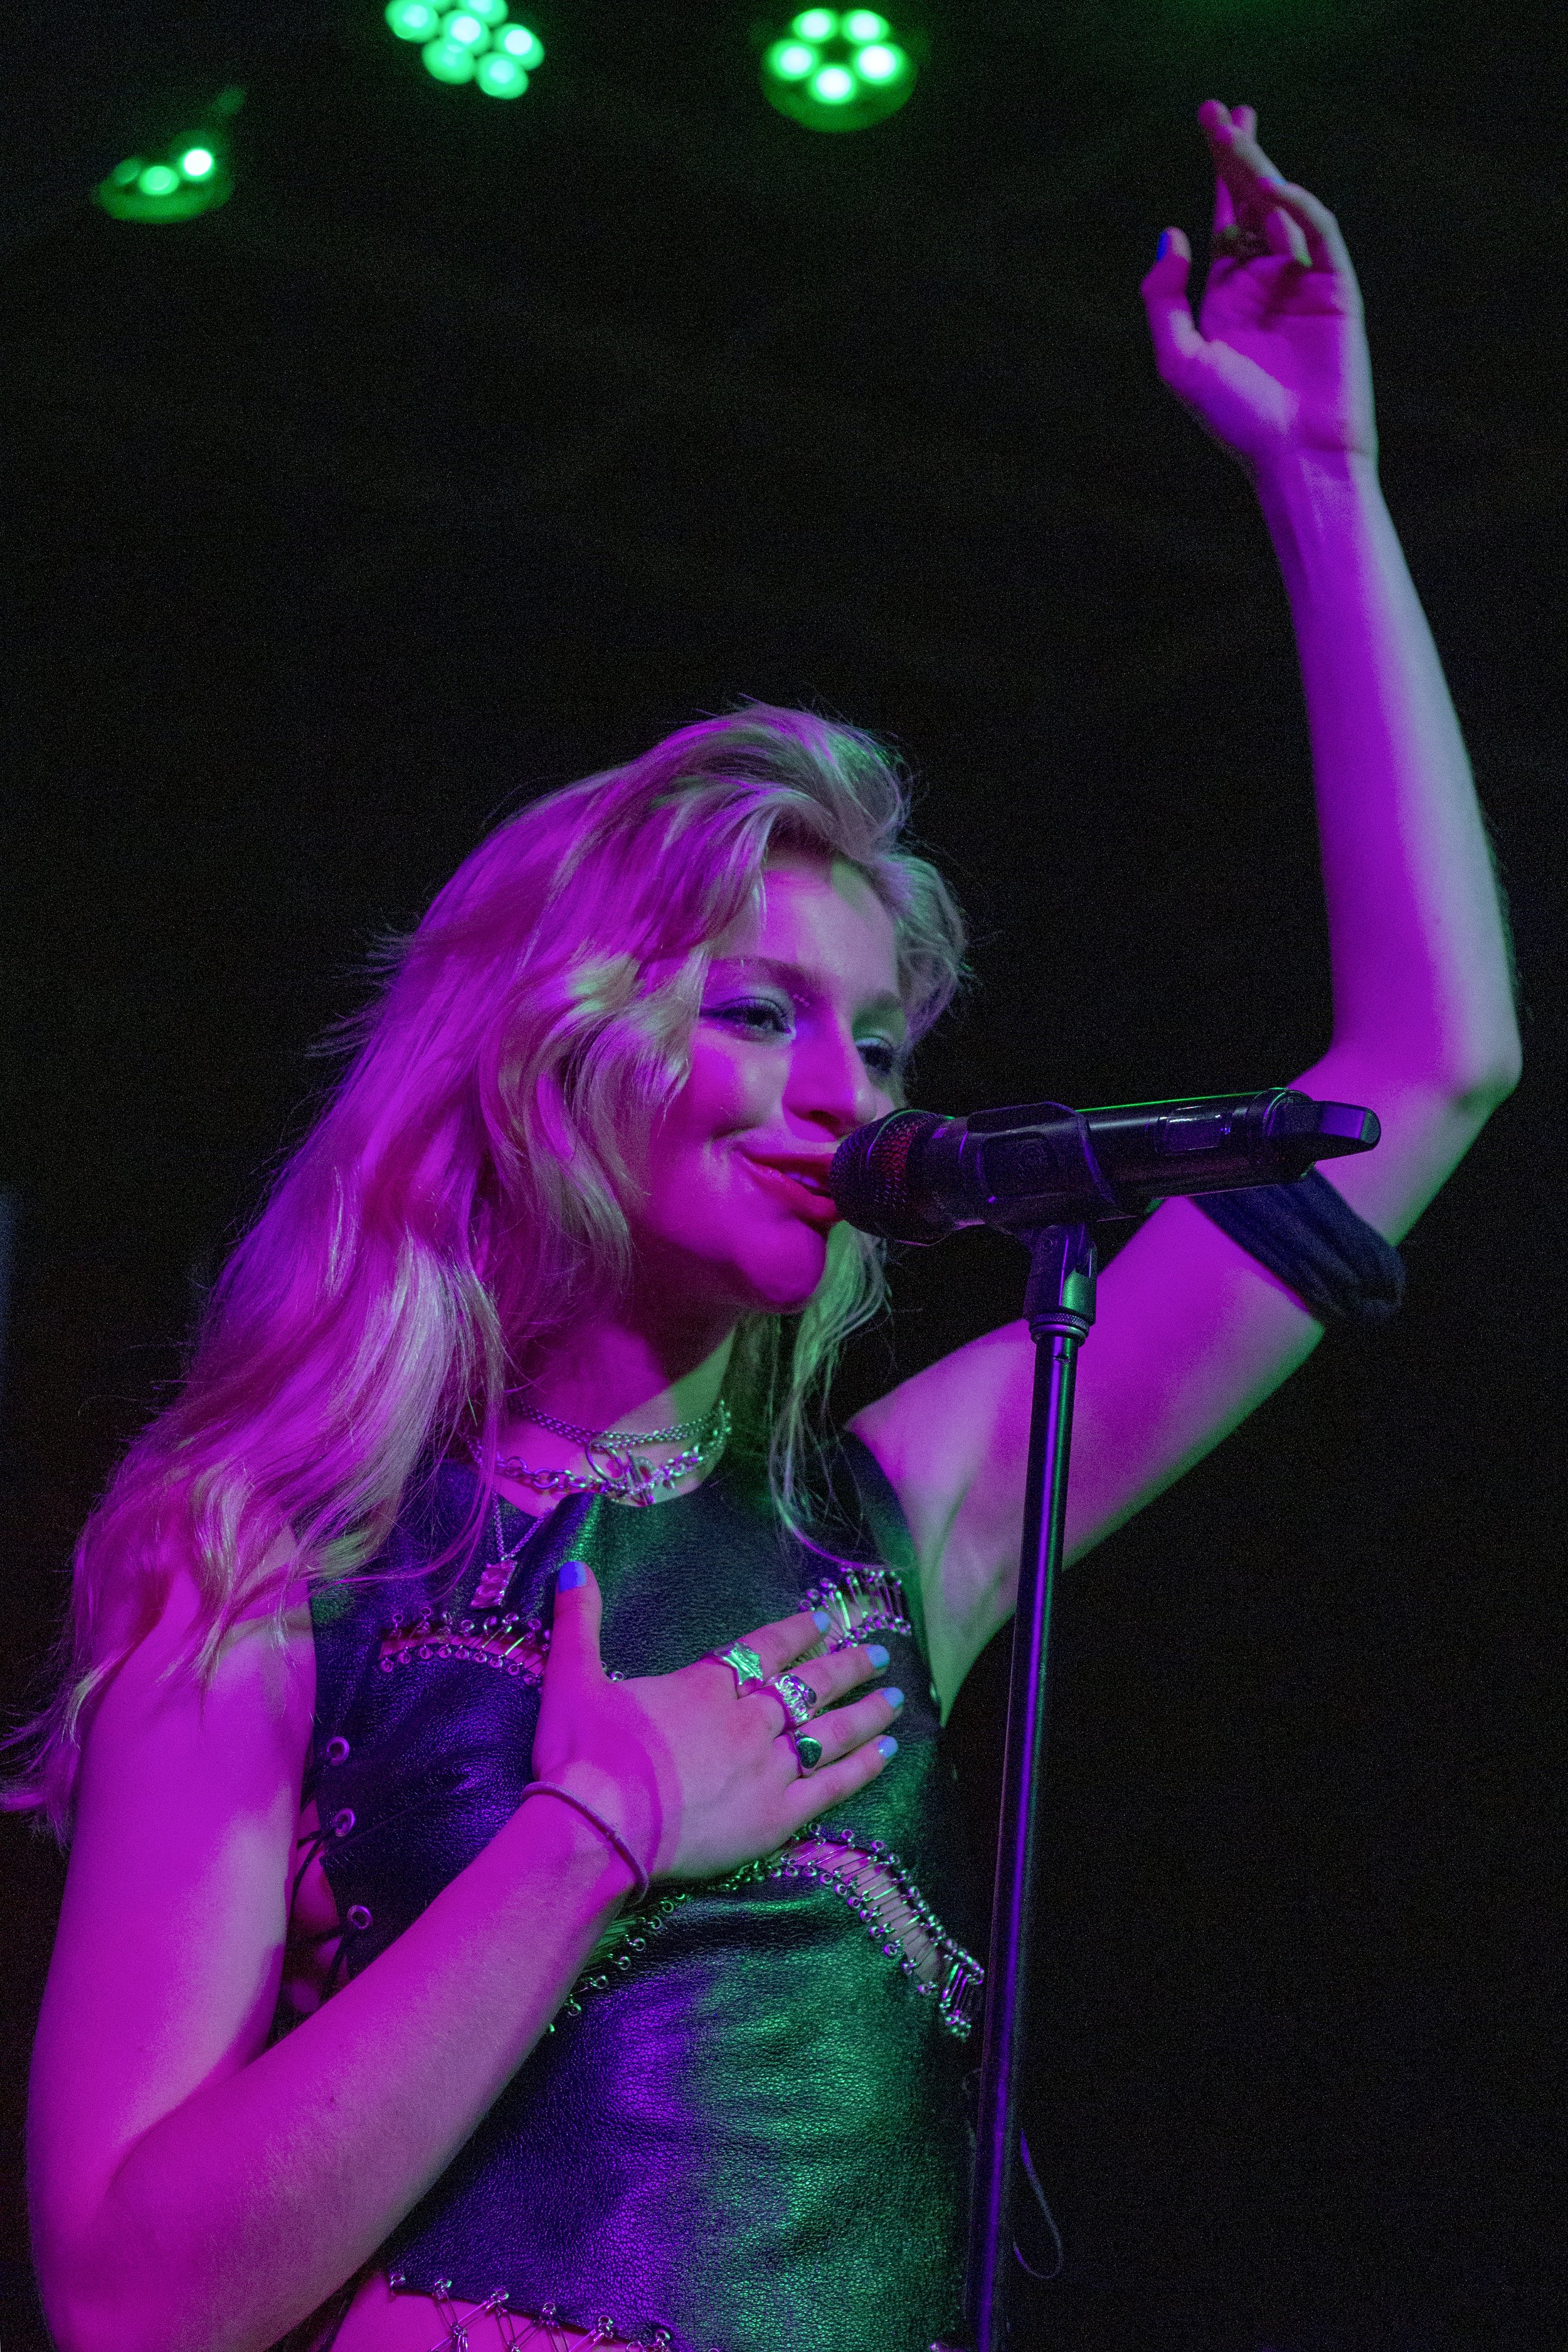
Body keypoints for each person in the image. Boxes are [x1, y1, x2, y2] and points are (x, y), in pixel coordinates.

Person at [18, 102, 1520, 2352]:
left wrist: (1322, 482)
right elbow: (135, 2295)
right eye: (761, 1012)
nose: (851, 1089)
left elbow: (1424, 1074)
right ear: (550, 1053)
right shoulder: (266, 1566)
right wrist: (586, 1839)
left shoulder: (892, 1529)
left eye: (889, 1044)